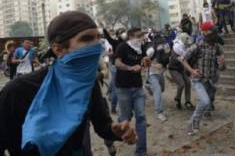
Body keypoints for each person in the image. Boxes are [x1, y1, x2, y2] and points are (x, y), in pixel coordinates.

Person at [0, 11, 137, 156]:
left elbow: (102, 125)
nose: (96, 45)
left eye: (98, 38)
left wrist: (116, 131)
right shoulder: (17, 91)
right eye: (87, 38)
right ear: (58, 49)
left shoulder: (87, 84)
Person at [181, 22, 225, 136]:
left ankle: (196, 122)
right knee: (205, 102)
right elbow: (183, 59)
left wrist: (222, 64)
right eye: (211, 30)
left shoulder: (217, 47)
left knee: (204, 102)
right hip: (198, 80)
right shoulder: (198, 45)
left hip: (210, 81)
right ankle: (191, 122)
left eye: (214, 30)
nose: (214, 33)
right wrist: (192, 71)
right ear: (204, 32)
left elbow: (223, 67)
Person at [114, 28, 148, 156]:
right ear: (130, 36)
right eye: (138, 36)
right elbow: (117, 63)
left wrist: (144, 64)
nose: (141, 38)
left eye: (142, 35)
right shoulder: (122, 47)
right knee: (125, 118)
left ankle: (141, 151)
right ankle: (111, 132)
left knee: (141, 117)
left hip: (138, 87)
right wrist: (130, 68)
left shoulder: (141, 46)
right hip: (123, 88)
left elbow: (145, 62)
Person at [99, 20, 128, 115]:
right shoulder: (115, 43)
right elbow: (107, 37)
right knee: (116, 88)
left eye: (124, 32)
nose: (124, 34)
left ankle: (128, 108)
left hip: (126, 68)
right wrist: (104, 28)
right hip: (116, 68)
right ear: (118, 35)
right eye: (122, 33)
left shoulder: (128, 43)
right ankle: (113, 107)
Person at [145, 33, 170, 122]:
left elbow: (167, 59)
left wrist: (164, 68)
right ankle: (159, 112)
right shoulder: (151, 50)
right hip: (152, 73)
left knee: (161, 89)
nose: (162, 46)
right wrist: (154, 65)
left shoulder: (166, 47)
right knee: (158, 90)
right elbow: (143, 60)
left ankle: (148, 86)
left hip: (160, 73)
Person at [168, 32, 194, 110]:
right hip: (173, 69)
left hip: (181, 69)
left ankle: (187, 101)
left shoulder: (184, 46)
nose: (188, 43)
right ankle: (177, 99)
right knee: (181, 84)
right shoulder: (177, 47)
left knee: (188, 82)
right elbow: (183, 59)